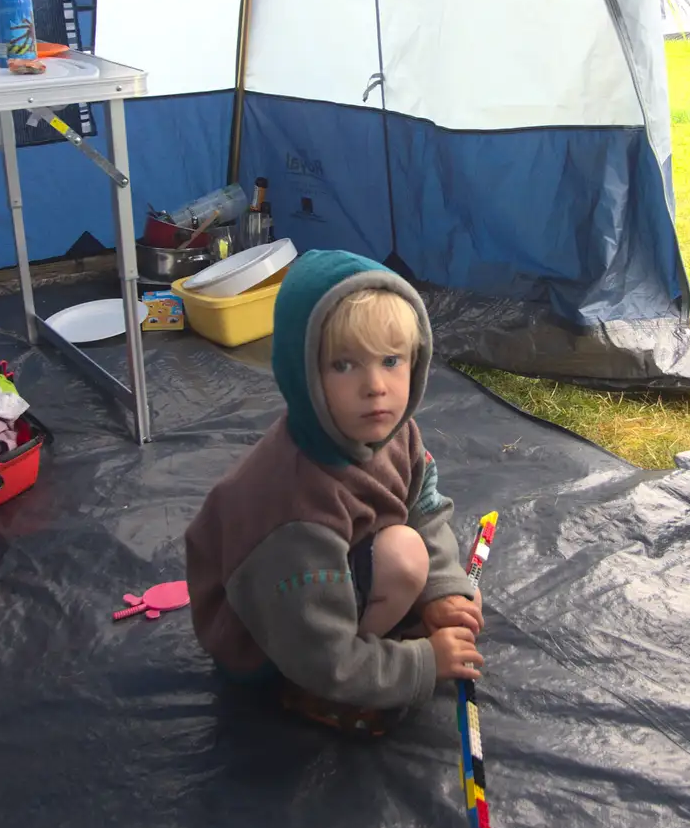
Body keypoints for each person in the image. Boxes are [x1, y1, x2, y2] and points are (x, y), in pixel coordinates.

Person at [185, 248, 483, 731]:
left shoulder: (394, 432)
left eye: (391, 360)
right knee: (404, 556)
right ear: (303, 372)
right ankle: (308, 693)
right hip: (270, 639)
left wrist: (443, 590)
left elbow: (422, 507)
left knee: (413, 550)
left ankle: (376, 626)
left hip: (329, 575)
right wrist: (422, 664)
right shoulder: (292, 507)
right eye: (344, 365)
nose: (376, 387)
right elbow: (321, 651)